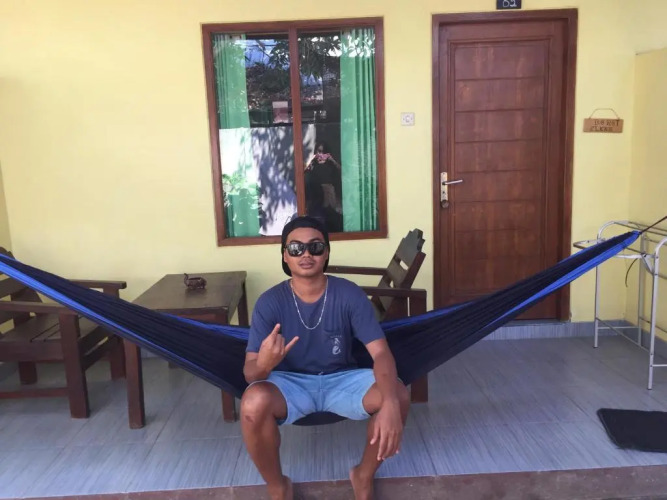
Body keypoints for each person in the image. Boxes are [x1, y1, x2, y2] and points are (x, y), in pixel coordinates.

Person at [240, 216, 410, 500]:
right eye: (296, 248)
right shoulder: (270, 302)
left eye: (315, 247)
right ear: (285, 255)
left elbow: (381, 353)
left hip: (341, 381)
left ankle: (363, 475)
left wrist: (391, 402)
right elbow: (250, 374)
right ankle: (277, 486)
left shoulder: (348, 294)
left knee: (398, 395)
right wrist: (265, 365)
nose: (306, 254)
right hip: (290, 384)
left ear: (327, 253)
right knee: (252, 403)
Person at [304, 142, 343, 232]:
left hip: (329, 191)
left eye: (323, 151)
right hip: (317, 192)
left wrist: (332, 160)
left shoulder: (330, 164)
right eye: (319, 151)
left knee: (331, 214)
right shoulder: (314, 164)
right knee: (318, 214)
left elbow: (342, 171)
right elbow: (302, 172)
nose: (321, 154)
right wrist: (311, 159)